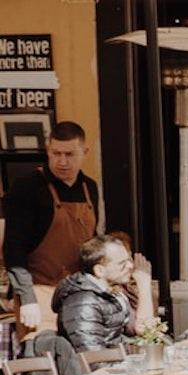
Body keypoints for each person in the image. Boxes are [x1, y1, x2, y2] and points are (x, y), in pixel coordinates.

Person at [2, 122, 102, 337]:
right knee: (42, 357)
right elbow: (14, 247)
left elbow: (93, 245)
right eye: (56, 153)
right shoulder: (27, 187)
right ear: (48, 151)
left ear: (84, 152)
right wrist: (26, 298)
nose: (62, 161)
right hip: (39, 292)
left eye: (69, 154)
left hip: (79, 294)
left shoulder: (90, 188)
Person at [54, 235, 155, 353]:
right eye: (122, 263)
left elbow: (144, 329)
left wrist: (144, 283)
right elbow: (93, 357)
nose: (130, 266)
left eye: (129, 260)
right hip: (102, 369)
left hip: (119, 364)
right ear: (100, 271)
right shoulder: (83, 303)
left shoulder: (112, 294)